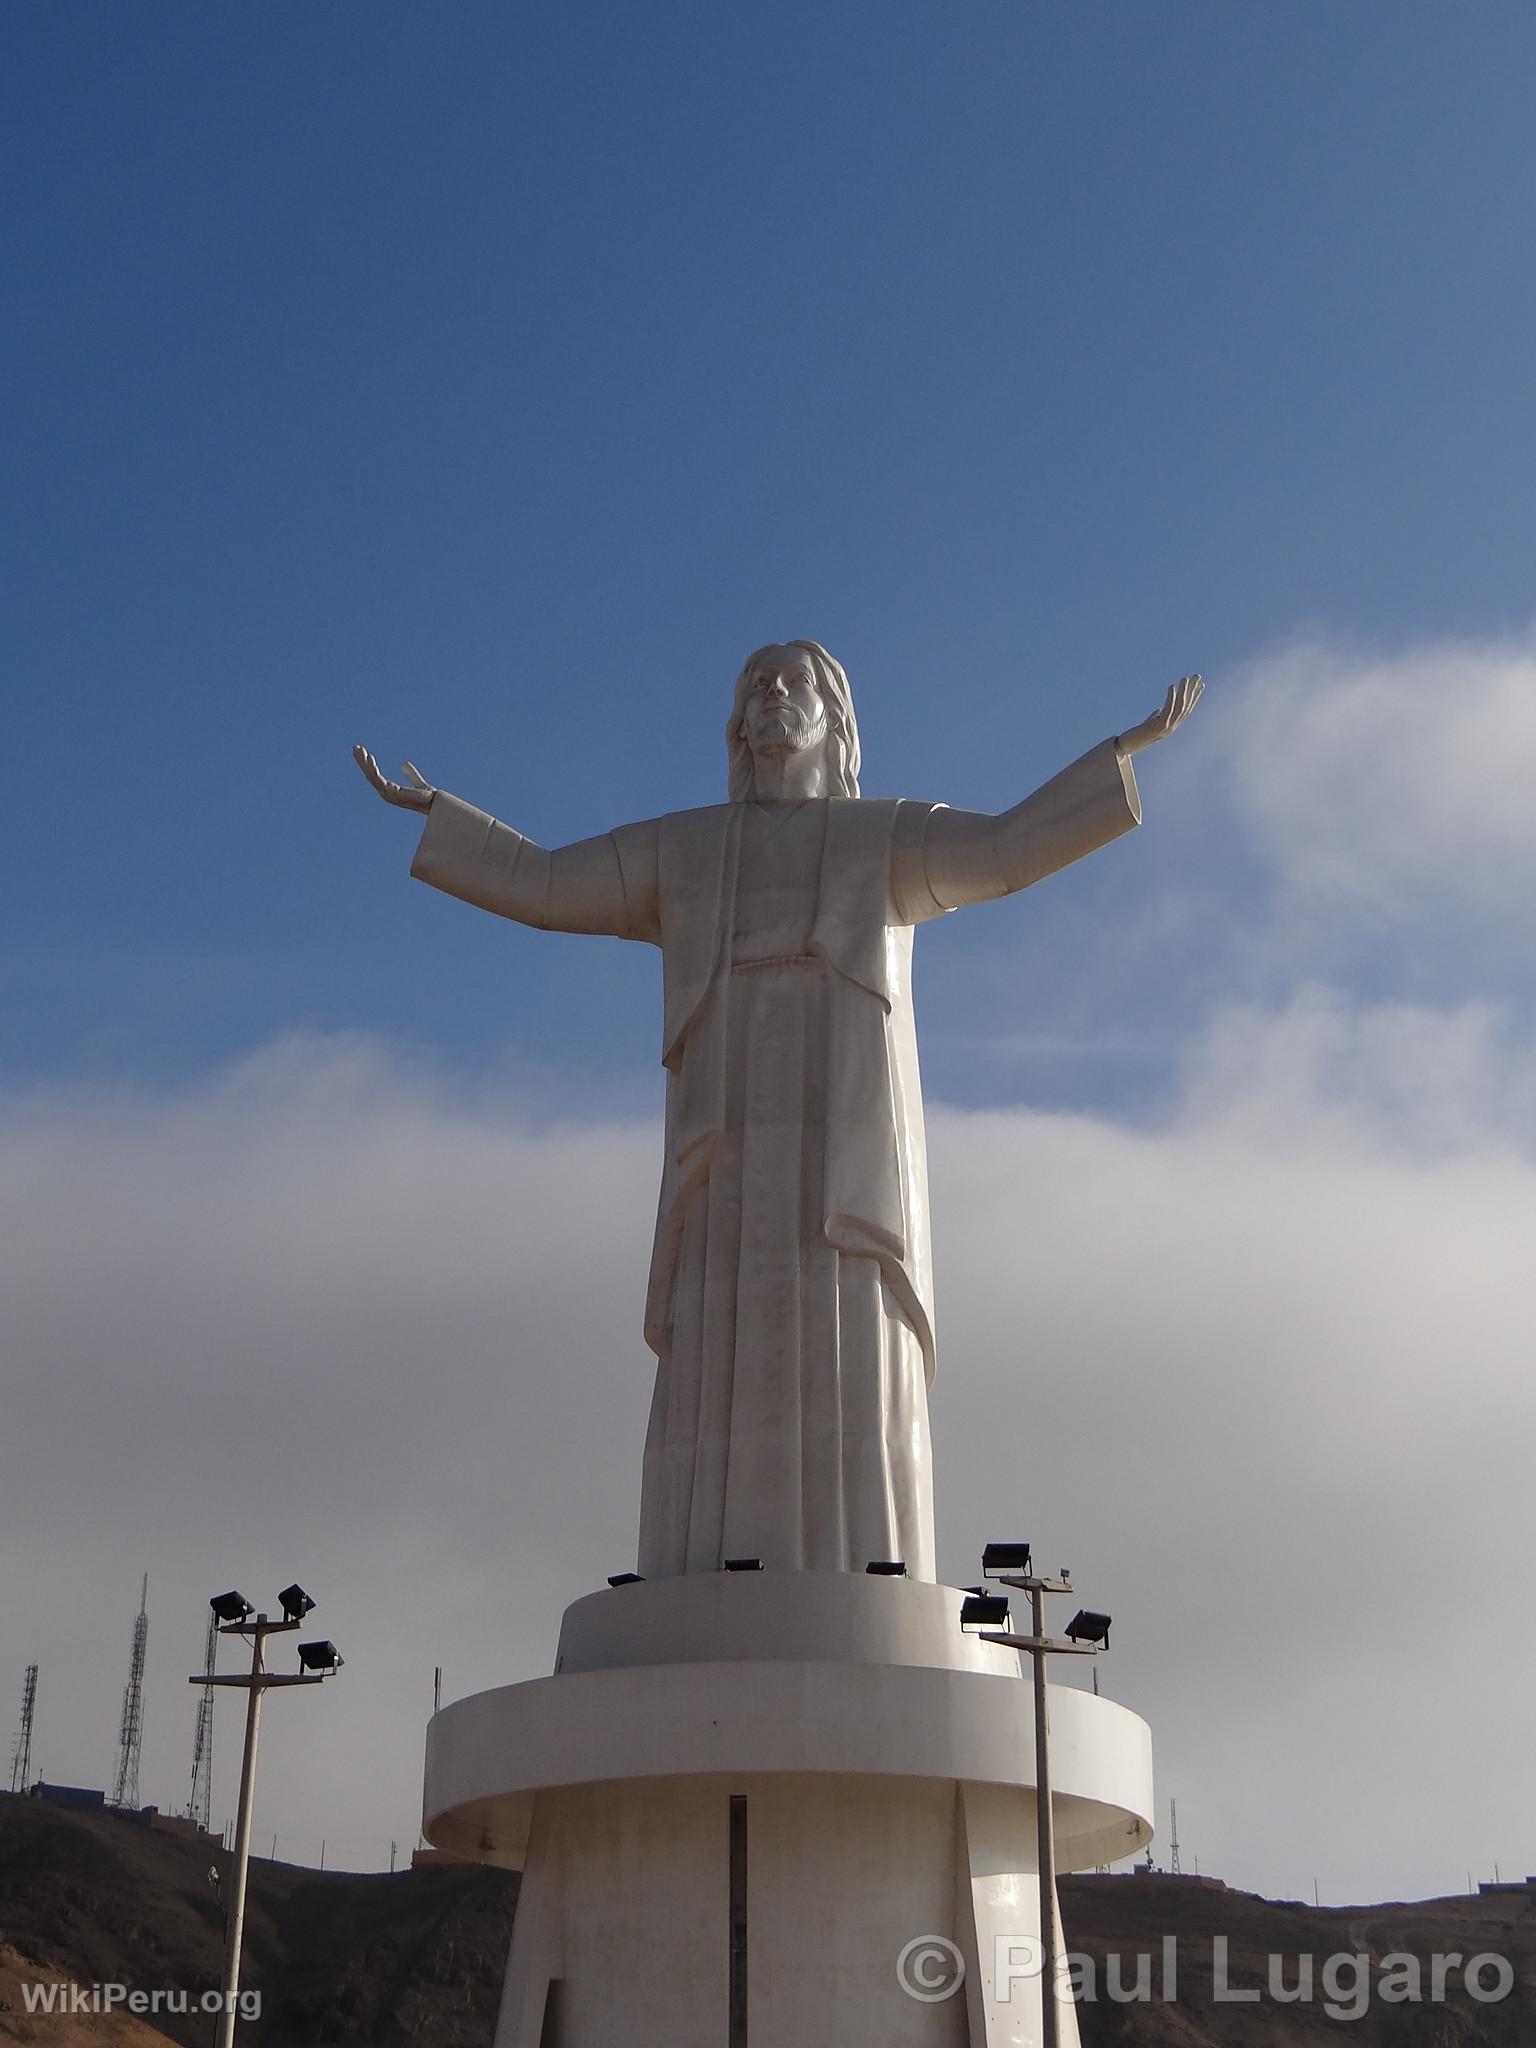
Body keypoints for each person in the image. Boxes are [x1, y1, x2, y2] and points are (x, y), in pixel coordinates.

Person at [355, 645, 1201, 1579]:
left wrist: (1122, 752)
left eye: (794, 681)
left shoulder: (884, 836)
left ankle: (861, 1563)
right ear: (734, 722)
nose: (770, 693)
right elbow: (551, 884)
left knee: (844, 1301)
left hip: (841, 1111)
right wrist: (444, 818)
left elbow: (1005, 850)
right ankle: (705, 1560)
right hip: (725, 1113)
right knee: (717, 1312)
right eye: (755, 683)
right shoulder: (684, 848)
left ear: (835, 717)